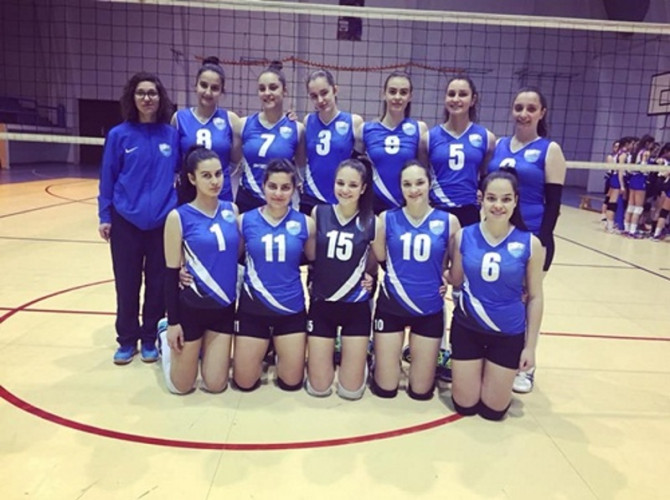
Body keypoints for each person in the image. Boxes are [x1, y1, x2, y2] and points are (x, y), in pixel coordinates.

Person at [487, 87, 566, 393]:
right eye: (519, 107)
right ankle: (500, 356)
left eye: (531, 108)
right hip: (500, 236)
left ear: (542, 113)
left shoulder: (550, 149)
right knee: (503, 299)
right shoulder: (499, 145)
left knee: (527, 300)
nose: (524, 114)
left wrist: (541, 243)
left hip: (532, 238)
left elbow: (554, 205)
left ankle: (527, 366)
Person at [448, 170, 543, 421]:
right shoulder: (464, 236)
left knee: (493, 411)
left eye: (506, 199)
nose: (498, 205)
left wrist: (530, 347)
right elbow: (455, 279)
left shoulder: (530, 243)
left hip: (507, 334)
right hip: (468, 328)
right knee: (465, 405)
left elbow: (535, 297)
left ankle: (492, 372)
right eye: (491, 198)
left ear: (516, 201)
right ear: (481, 199)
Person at [98, 72, 178, 365]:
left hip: (161, 223)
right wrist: (105, 215)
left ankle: (149, 338)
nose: (147, 98)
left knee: (158, 284)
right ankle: (127, 339)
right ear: (132, 98)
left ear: (160, 98)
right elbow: (107, 176)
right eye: (141, 93)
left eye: (152, 93)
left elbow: (183, 173)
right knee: (127, 283)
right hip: (125, 221)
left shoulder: (171, 135)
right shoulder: (119, 135)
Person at [370, 159, 460, 400]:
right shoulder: (386, 219)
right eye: (407, 184)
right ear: (400, 187)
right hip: (391, 306)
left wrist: (446, 279)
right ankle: (379, 361)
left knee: (420, 392)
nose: (414, 189)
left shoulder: (449, 222)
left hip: (428, 310)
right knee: (386, 390)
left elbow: (454, 265)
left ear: (429, 183)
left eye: (419, 182)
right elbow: (379, 259)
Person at [159, 147, 239, 394]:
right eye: (206, 176)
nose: (215, 181)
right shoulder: (178, 217)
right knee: (181, 387)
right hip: (190, 309)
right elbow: (170, 273)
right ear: (192, 178)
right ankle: (163, 336)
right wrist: (173, 322)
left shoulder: (232, 211)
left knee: (216, 385)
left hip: (224, 309)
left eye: (218, 174)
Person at [233, 158, 315, 391]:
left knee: (291, 383)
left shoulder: (306, 224)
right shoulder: (244, 221)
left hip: (290, 310)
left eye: (285, 187)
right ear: (263, 186)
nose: (278, 193)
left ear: (294, 189)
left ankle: (279, 350)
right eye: (273, 186)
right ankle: (264, 349)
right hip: (253, 309)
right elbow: (231, 259)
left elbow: (315, 263)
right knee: (244, 383)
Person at [303, 157, 376, 399]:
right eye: (340, 183)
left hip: (356, 307)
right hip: (323, 304)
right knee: (318, 389)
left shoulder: (372, 221)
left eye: (353, 185)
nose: (345, 190)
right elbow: (312, 257)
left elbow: (375, 263)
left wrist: (371, 279)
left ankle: (363, 363)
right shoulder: (319, 213)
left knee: (350, 392)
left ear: (363, 188)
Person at [424, 76, 496, 227]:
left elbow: (486, 176)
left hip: (470, 211)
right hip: (438, 210)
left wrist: (482, 191)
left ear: (473, 99)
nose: (456, 99)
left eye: (462, 94)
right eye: (451, 94)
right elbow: (422, 176)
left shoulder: (487, 138)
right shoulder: (428, 138)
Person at [235, 61, 305, 213]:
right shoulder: (242, 124)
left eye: (273, 87)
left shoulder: (297, 129)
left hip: (280, 202)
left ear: (285, 91)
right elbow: (231, 166)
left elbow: (301, 172)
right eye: (262, 89)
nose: (267, 93)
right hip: (248, 200)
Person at [172, 56, 242, 203]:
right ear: (195, 86)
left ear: (222, 91)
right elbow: (175, 163)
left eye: (215, 88)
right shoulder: (178, 118)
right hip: (189, 196)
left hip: (221, 195)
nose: (208, 92)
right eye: (203, 85)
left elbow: (235, 162)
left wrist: (288, 117)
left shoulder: (231, 119)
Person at [362, 71, 428, 214]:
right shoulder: (365, 130)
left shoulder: (419, 129)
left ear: (410, 96)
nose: (397, 97)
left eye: (403, 92)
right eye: (392, 92)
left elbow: (424, 171)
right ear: (383, 94)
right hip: (374, 206)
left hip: (407, 205)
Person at [300, 69, 364, 214]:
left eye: (324, 93)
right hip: (311, 196)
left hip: (342, 198)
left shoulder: (354, 122)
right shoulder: (307, 121)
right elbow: (300, 157)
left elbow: (359, 162)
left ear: (335, 90)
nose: (320, 100)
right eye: (314, 96)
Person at [624, 134, 654, 237]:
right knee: (638, 208)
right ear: (647, 143)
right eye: (651, 144)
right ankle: (632, 232)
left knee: (631, 206)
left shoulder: (635, 152)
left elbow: (630, 168)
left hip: (633, 179)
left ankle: (627, 229)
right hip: (640, 179)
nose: (652, 146)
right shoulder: (646, 152)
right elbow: (643, 168)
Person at [604, 138, 627, 233]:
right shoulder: (615, 156)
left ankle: (609, 224)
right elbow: (617, 170)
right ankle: (609, 225)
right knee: (612, 202)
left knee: (612, 202)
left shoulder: (618, 155)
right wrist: (622, 185)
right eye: (616, 146)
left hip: (614, 178)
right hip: (615, 178)